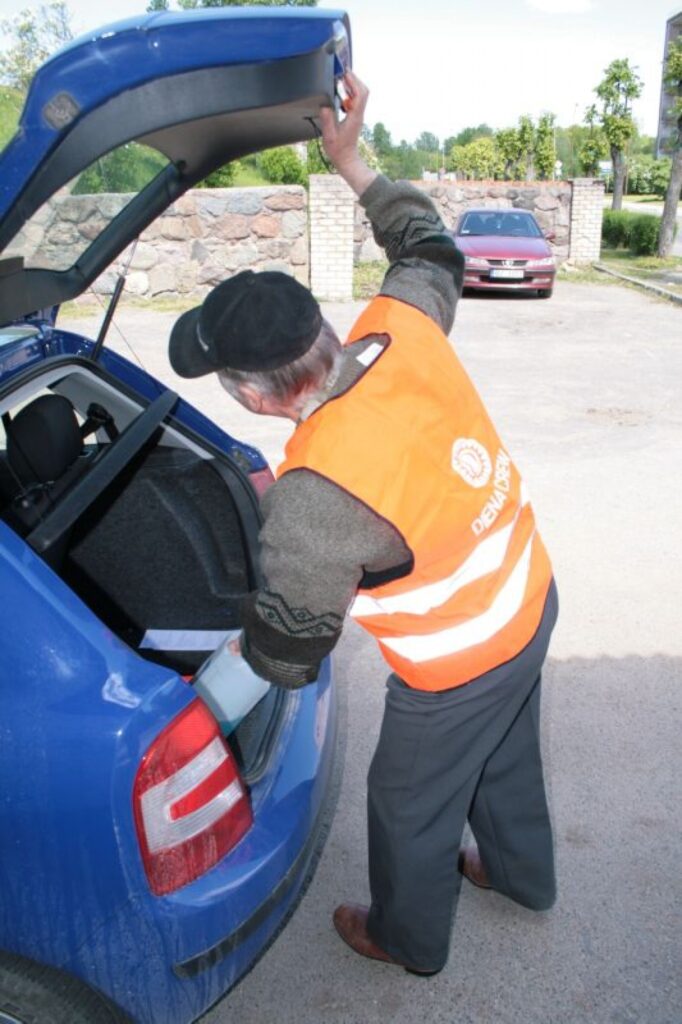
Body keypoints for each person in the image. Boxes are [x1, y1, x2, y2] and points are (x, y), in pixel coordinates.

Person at [169, 72, 558, 976]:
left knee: (406, 799)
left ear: (256, 396)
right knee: (503, 754)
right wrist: (352, 162)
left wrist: (194, 715)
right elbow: (427, 241)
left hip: (461, 657)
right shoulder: (399, 328)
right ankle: (520, 874)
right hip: (531, 595)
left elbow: (287, 651)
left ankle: (407, 939)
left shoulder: (312, 494)